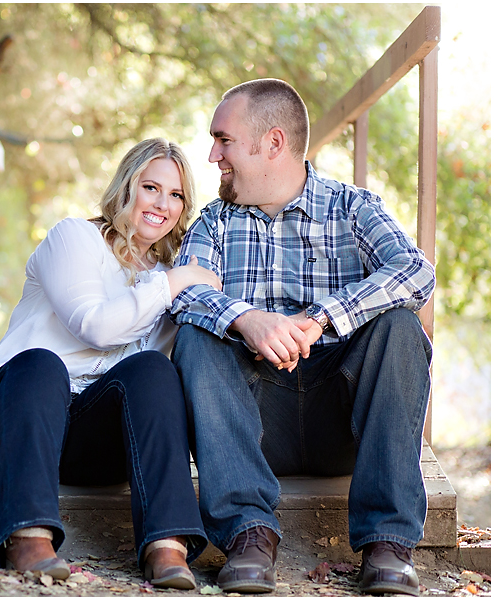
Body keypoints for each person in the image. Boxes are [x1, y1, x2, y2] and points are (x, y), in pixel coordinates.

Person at [169, 79, 435, 596]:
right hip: (253, 424)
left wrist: (321, 319)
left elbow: (415, 272)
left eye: (223, 140)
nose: (211, 155)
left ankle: (387, 543)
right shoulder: (216, 222)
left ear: (272, 142)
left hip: (344, 417)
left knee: (401, 325)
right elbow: (182, 294)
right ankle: (248, 533)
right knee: (196, 337)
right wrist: (248, 319)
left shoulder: (353, 207)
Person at [0, 138, 221, 590]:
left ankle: (166, 546)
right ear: (125, 186)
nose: (162, 204)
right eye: (151, 187)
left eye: (176, 196)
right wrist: (172, 283)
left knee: (153, 370)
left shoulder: (169, 276)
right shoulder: (74, 238)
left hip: (92, 439)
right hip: (7, 419)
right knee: (41, 364)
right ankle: (26, 536)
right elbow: (93, 326)